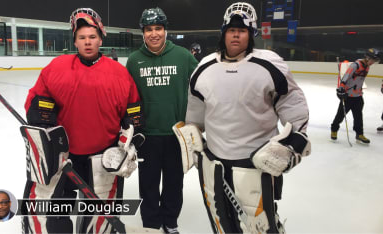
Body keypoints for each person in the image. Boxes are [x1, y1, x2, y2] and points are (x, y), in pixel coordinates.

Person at [172, 2, 310, 233]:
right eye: (231, 30)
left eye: (242, 30)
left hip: (255, 165)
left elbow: (293, 105)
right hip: (214, 166)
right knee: (221, 225)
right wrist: (193, 140)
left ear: (251, 34)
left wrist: (294, 144)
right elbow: (195, 116)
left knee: (260, 228)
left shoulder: (269, 64)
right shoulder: (204, 67)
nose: (236, 35)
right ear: (223, 32)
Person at [21, 8, 141, 233]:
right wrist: (41, 115)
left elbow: (133, 112)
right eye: (82, 38)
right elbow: (37, 101)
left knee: (97, 216)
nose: (88, 42)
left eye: (92, 37)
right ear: (75, 41)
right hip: (63, 157)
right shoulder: (56, 68)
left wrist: (131, 137)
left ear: (101, 39)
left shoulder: (119, 74)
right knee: (55, 210)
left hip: (101, 158)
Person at [125, 7, 198, 234]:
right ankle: (151, 226)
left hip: (177, 135)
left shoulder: (184, 57)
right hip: (147, 136)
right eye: (149, 29)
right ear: (143, 33)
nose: (154, 33)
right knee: (148, 186)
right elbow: (127, 97)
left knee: (174, 183)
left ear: (166, 30)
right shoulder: (134, 61)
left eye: (158, 28)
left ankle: (170, 222)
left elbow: (202, 90)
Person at [331, 48, 381, 144]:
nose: (373, 62)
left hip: (358, 96)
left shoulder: (367, 67)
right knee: (340, 115)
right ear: (367, 57)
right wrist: (341, 88)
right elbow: (346, 76)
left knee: (358, 117)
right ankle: (334, 129)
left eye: (375, 61)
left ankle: (359, 134)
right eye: (372, 60)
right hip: (348, 96)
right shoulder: (355, 65)